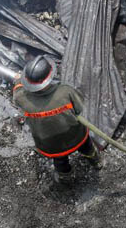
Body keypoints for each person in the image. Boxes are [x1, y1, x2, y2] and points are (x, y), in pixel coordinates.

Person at [12, 56, 102, 184]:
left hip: (50, 144)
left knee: (60, 161)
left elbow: (17, 93)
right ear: (49, 76)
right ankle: (95, 161)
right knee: (87, 147)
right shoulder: (65, 91)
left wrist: (17, 82)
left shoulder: (21, 98)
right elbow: (79, 108)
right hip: (75, 135)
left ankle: (66, 177)